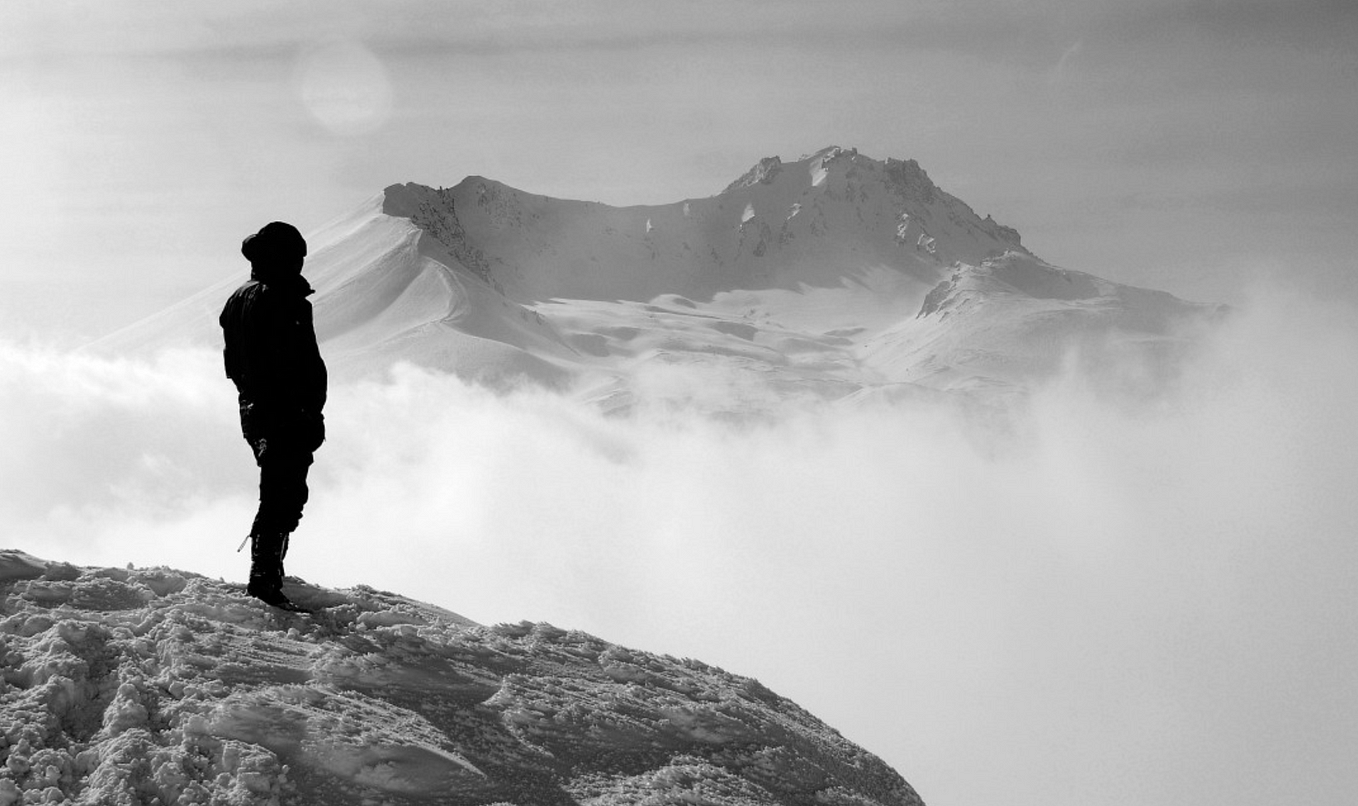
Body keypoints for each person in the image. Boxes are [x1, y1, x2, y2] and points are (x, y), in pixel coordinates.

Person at [220, 221, 327, 611]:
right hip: (284, 412)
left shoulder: (238, 299)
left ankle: (267, 573)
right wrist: (304, 411)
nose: (300, 263)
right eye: (296, 255)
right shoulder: (280, 298)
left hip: (258, 410)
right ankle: (264, 579)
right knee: (284, 494)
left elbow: (236, 365)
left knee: (278, 490)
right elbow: (294, 363)